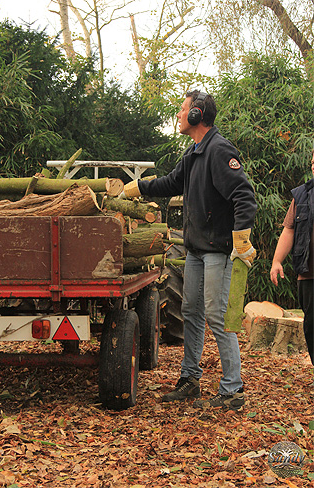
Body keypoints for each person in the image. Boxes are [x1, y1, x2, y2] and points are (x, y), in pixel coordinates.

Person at [122, 90, 257, 411]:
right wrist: (139, 188)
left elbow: (245, 196)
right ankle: (189, 380)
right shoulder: (195, 153)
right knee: (192, 313)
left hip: (217, 251)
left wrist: (241, 239)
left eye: (183, 111)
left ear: (197, 115)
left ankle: (233, 390)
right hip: (196, 250)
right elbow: (171, 183)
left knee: (217, 315)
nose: (179, 116)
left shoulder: (219, 151)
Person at [270, 150, 314, 367]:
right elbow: (289, 230)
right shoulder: (303, 195)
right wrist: (277, 261)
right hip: (308, 275)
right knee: (312, 328)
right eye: (313, 162)